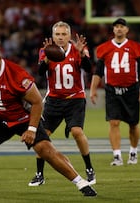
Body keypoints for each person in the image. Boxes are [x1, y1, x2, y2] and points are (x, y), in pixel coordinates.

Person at [0, 42, 97, 198]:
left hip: (22, 118)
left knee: (45, 150)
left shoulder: (16, 74)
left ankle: (80, 182)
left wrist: (31, 129)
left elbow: (37, 102)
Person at [28, 21, 96, 187]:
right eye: (57, 34)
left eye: (63, 34)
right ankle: (39, 174)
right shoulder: (46, 51)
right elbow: (39, 73)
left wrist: (82, 55)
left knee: (76, 131)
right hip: (53, 99)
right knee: (42, 137)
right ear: (53, 36)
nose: (60, 37)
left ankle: (89, 168)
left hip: (75, 98)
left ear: (69, 36)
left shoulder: (78, 49)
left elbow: (89, 69)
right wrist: (45, 61)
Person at [89, 17, 140, 166]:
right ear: (113, 30)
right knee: (113, 122)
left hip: (131, 90)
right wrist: (93, 89)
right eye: (116, 26)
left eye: (122, 26)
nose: (119, 29)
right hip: (112, 90)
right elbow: (98, 72)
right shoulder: (104, 48)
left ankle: (133, 152)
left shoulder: (136, 47)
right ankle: (117, 155)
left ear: (127, 30)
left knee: (133, 123)